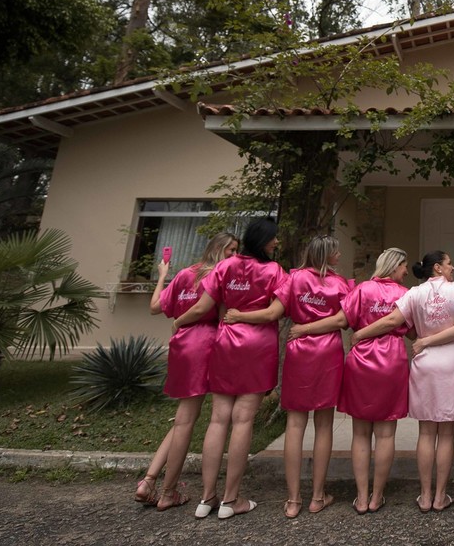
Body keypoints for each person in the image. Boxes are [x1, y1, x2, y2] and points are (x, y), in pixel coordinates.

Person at [171, 217, 286, 520]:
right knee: (243, 420)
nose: (277, 243)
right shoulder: (273, 270)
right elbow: (275, 312)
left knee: (218, 420)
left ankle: (206, 498)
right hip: (257, 348)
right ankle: (230, 500)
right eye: (274, 238)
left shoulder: (226, 266)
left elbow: (205, 305)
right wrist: (247, 317)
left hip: (225, 343)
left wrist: (182, 321)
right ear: (263, 239)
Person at [351, 250, 454, 513]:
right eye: (449, 263)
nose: (453, 267)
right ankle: (440, 497)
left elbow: (394, 321)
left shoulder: (413, 293)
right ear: (437, 267)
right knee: (446, 433)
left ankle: (424, 496)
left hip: (425, 361)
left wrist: (360, 334)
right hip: (452, 360)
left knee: (426, 432)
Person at [135, 233, 239, 510]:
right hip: (204, 344)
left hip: (180, 345)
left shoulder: (183, 274)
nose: (233, 256)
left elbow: (155, 307)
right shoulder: (218, 275)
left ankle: (149, 479)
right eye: (231, 250)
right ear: (218, 249)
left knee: (182, 419)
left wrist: (162, 275)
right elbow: (219, 315)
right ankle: (168, 493)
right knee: (190, 420)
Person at [274, 234, 353, 518]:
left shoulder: (293, 279)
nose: (339, 256)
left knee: (295, 424)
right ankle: (318, 496)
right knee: (323, 423)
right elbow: (343, 320)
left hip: (299, 351)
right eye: (336, 252)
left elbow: (278, 311)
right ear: (325, 255)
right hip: (328, 351)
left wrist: (304, 327)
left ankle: (293, 499)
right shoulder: (339, 283)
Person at [339, 247, 411, 514]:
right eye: (404, 265)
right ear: (394, 266)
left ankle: (360, 496)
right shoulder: (405, 295)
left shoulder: (362, 289)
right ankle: (376, 496)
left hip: (361, 361)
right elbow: (412, 330)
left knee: (360, 432)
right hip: (392, 360)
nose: (406, 270)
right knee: (385, 433)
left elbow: (345, 319)